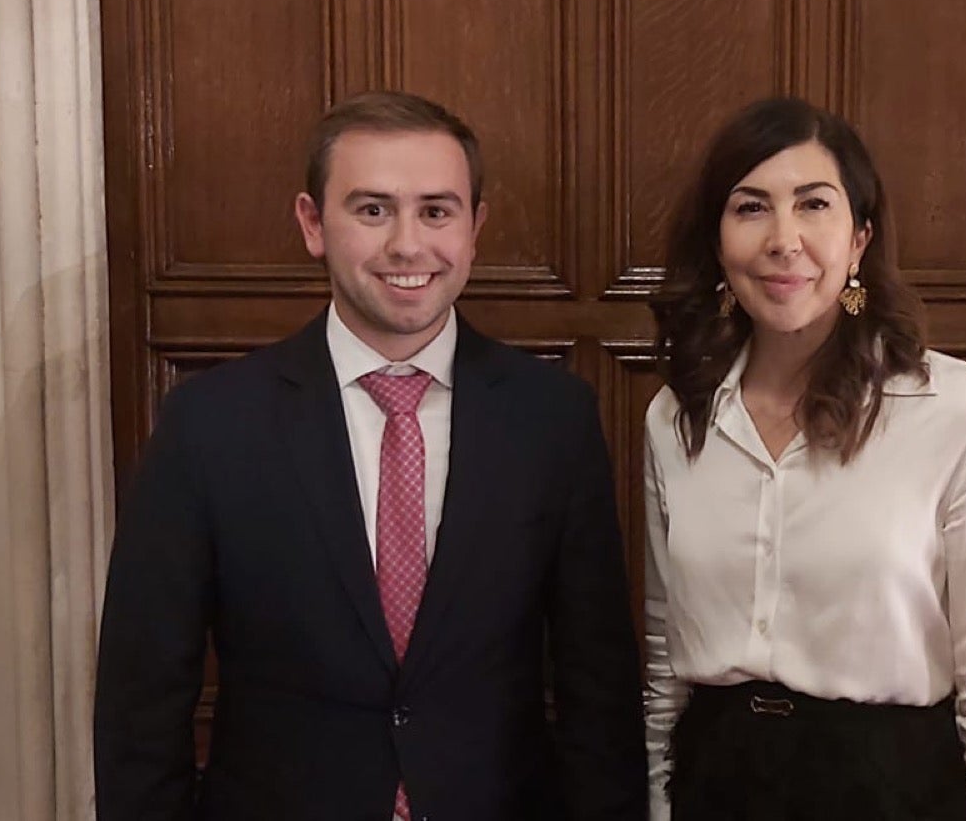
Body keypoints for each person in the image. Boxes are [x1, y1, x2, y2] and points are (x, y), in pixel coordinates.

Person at [95, 91, 647, 821]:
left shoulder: (552, 420)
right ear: (312, 223)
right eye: (373, 210)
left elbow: (597, 687)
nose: (408, 245)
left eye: (437, 211)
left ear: (475, 228)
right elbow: (143, 698)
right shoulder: (210, 425)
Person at [641, 97, 966, 821]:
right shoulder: (679, 417)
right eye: (750, 207)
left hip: (888, 787)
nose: (784, 239)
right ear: (717, 241)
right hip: (718, 780)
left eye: (814, 205)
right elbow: (663, 645)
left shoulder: (956, 410)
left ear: (859, 238)